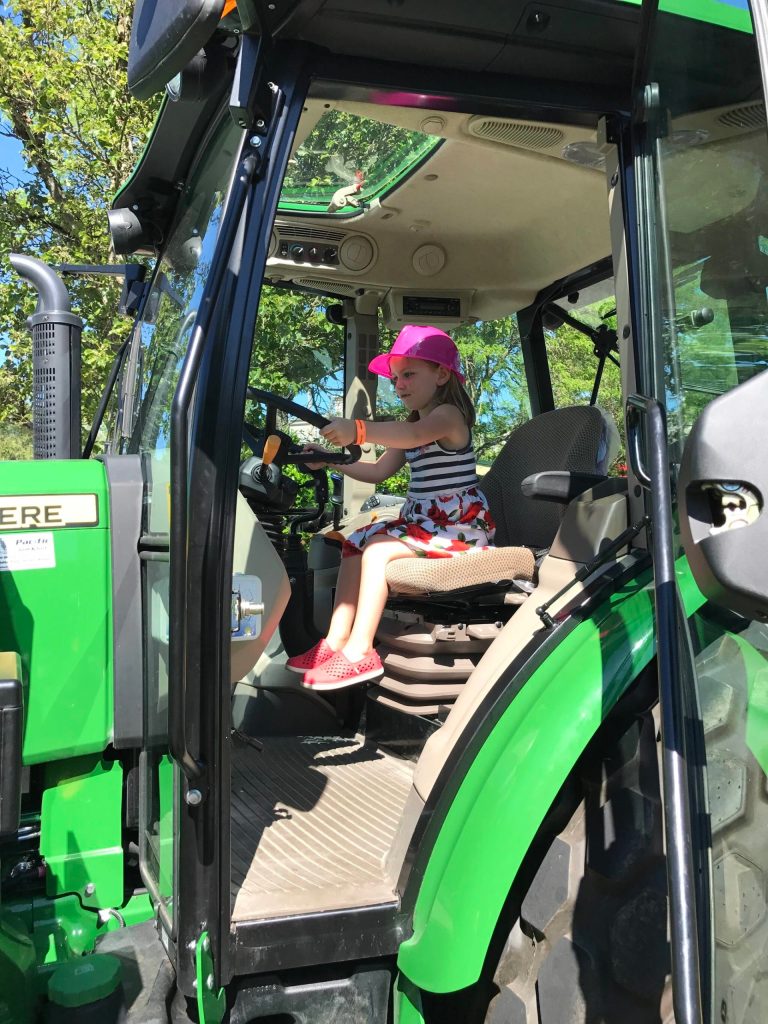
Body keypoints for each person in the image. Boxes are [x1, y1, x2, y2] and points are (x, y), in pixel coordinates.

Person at [288, 325, 495, 691]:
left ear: (442, 374)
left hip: (457, 529)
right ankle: (336, 643)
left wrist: (359, 430)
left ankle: (360, 651)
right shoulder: (416, 424)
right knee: (355, 542)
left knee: (378, 551)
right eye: (396, 377)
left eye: (409, 374)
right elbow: (378, 471)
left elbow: (413, 436)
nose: (399, 385)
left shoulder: (447, 417)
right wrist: (329, 460)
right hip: (426, 525)